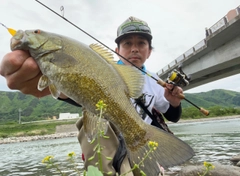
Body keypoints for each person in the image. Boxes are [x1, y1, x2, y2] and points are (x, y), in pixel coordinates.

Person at [0, 16, 183, 175]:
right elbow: (72, 94)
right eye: (127, 43)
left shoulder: (157, 81)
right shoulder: (102, 67)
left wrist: (174, 103)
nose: (134, 48)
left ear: (149, 51)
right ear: (117, 50)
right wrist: (52, 84)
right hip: (109, 144)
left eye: (141, 43)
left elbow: (172, 116)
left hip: (140, 143)